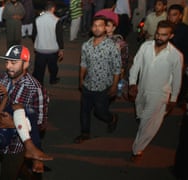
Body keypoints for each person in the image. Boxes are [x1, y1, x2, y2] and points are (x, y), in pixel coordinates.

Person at [128, 20, 183, 162]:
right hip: (142, 89)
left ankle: (137, 150)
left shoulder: (176, 55)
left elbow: (177, 79)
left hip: (160, 94)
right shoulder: (145, 46)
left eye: (163, 35)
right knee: (141, 117)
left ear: (171, 36)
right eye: (158, 34)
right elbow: (136, 65)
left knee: (147, 124)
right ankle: (140, 142)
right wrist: (132, 83)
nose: (159, 37)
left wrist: (173, 98)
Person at [0, 45, 51, 179]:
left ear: (26, 64)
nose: (8, 66)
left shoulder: (35, 89)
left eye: (14, 62)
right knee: (18, 169)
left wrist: (14, 125)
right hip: (0, 139)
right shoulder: (0, 79)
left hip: (18, 145)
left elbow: (40, 124)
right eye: (7, 62)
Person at [74, 15, 121, 144]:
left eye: (100, 25)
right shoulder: (86, 45)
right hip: (88, 85)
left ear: (105, 28)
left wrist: (114, 86)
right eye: (94, 25)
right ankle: (85, 133)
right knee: (84, 111)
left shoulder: (112, 46)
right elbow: (83, 63)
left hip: (103, 87)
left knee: (100, 112)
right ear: (91, 28)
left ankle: (112, 119)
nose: (97, 28)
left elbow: (117, 68)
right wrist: (81, 80)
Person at [32, 1, 64, 85]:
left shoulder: (37, 19)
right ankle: (53, 79)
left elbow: (34, 34)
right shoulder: (57, 20)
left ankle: (39, 83)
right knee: (53, 67)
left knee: (39, 69)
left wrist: (36, 43)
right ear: (53, 8)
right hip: (52, 49)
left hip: (40, 49)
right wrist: (61, 49)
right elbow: (59, 37)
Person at [167, 4, 188, 105]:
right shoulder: (165, 26)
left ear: (180, 16)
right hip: (166, 61)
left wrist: (184, 65)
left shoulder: (184, 29)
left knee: (179, 84)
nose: (171, 17)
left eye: (174, 15)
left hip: (180, 62)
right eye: (170, 15)